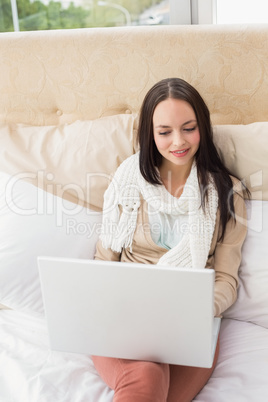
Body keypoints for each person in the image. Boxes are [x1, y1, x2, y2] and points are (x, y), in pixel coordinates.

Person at [92, 77, 248, 402]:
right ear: (150, 134)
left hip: (192, 320)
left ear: (202, 127)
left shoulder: (227, 193)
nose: (178, 141)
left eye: (188, 128)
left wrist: (197, 310)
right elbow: (104, 263)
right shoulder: (127, 180)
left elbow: (226, 279)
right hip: (126, 313)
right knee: (145, 376)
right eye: (164, 132)